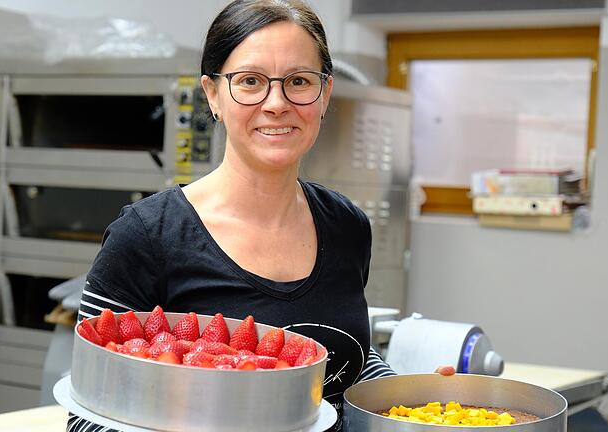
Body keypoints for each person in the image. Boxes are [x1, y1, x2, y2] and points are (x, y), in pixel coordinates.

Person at [69, 1, 452, 431]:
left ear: (324, 95)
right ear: (212, 94)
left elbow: (347, 360)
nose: (277, 103)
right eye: (250, 81)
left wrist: (405, 402)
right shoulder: (146, 236)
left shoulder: (347, 226)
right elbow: (88, 417)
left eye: (299, 81)